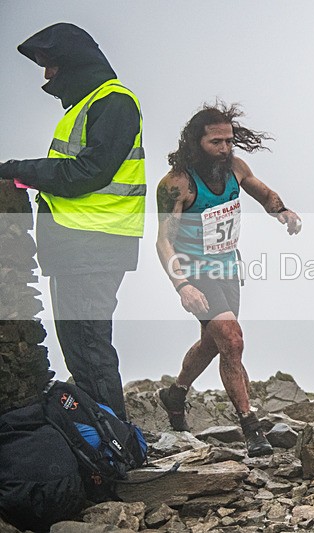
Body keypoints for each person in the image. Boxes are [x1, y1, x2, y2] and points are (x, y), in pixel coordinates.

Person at [0, 23, 146, 420]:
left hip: (93, 244)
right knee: (83, 351)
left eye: (50, 65)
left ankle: (114, 451)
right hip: (79, 244)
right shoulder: (88, 105)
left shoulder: (114, 102)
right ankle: (105, 442)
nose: (47, 75)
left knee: (89, 350)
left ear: (73, 62)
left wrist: (16, 169)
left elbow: (89, 173)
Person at [155, 103, 301, 457]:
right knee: (232, 340)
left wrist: (281, 210)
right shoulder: (178, 184)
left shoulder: (235, 168)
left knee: (214, 341)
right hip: (194, 271)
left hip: (227, 268)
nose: (224, 149)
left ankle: (175, 394)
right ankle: (250, 426)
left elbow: (262, 192)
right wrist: (182, 286)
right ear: (195, 142)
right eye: (215, 142)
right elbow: (163, 241)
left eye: (228, 141)